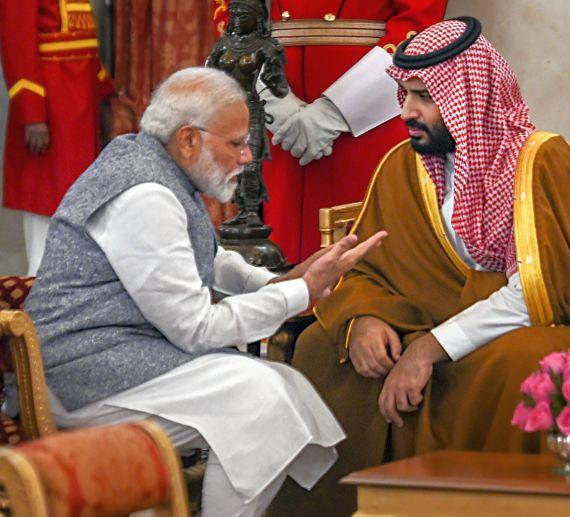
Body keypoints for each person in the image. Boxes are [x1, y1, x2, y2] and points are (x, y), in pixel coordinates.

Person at [268, 17, 570, 516]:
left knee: (521, 366)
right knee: (320, 348)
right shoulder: (401, 166)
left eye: (424, 97)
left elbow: (535, 291)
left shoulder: (540, 162)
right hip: (430, 316)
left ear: (470, 98)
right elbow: (366, 267)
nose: (407, 111)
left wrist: (429, 350)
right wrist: (361, 321)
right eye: (405, 94)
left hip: (536, 322)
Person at [10, 67, 386, 517]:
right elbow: (194, 327)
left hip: (121, 358)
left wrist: (276, 282)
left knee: (277, 388)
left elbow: (202, 257)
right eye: (235, 143)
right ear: (188, 139)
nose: (248, 156)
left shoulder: (151, 162)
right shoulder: (144, 193)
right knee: (257, 402)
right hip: (80, 378)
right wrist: (298, 294)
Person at [215, 0, 448, 263]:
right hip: (281, 102)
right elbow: (235, 12)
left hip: (369, 112)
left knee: (364, 255)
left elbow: (417, 23)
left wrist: (338, 110)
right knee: (283, 245)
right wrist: (269, 96)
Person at [0, 0, 115, 275]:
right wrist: (32, 114)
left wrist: (104, 91)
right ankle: (40, 285)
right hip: (49, 107)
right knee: (45, 198)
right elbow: (17, 44)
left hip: (79, 103)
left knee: (79, 198)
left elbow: (83, 42)